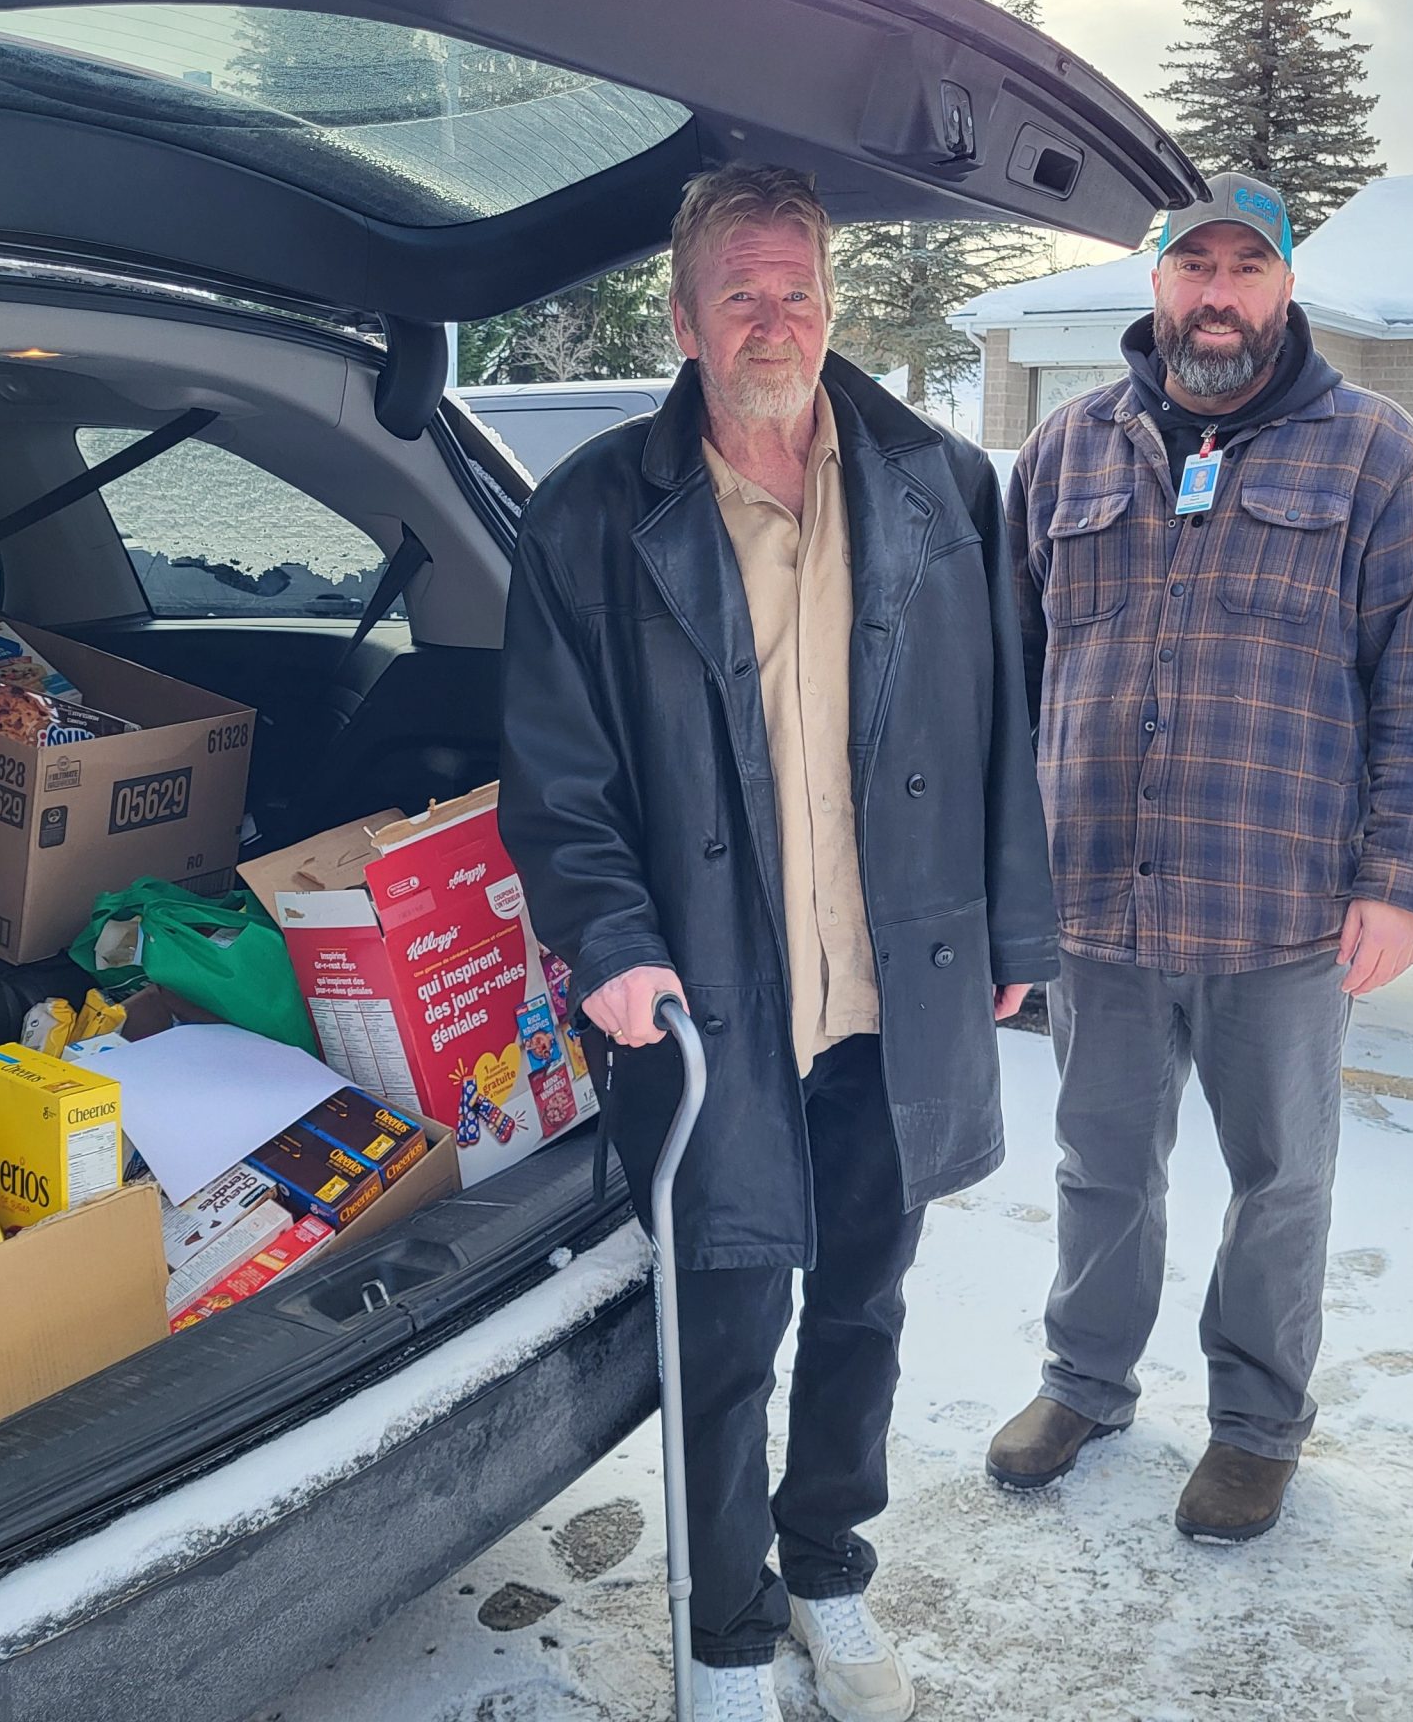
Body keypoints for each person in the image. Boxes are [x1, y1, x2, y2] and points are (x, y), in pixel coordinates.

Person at [498, 165, 1055, 1722]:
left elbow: (1010, 719)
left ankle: (827, 1573)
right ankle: (727, 1630)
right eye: (741, 292)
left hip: (896, 983)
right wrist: (605, 939)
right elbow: (560, 776)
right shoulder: (597, 516)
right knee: (727, 1323)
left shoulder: (944, 483)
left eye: (799, 288)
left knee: (865, 1305)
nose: (775, 319)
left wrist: (1017, 921)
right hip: (712, 1003)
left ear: (836, 306)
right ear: (682, 319)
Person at [986, 172, 1413, 1542]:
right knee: (1099, 1163)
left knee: (1283, 1180)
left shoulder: (1373, 450)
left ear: (1285, 285)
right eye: (1190, 263)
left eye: (1245, 266)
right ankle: (1085, 1383)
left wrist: (1400, 878)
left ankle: (1257, 1426)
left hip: (1285, 904)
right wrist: (1002, 876)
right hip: (1097, 894)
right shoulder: (1067, 450)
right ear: (1152, 282)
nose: (1216, 293)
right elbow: (1009, 681)